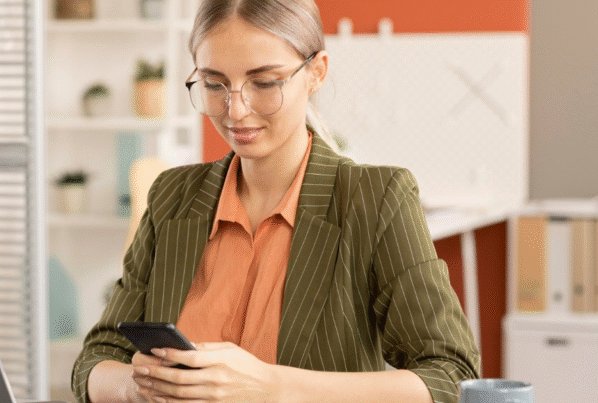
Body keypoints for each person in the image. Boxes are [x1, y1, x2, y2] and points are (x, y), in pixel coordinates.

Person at [72, 0, 480, 402]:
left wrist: (273, 388)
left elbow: (450, 376)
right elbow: (96, 359)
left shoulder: (375, 200)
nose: (236, 110)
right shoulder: (172, 198)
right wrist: (135, 388)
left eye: (264, 82)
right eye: (214, 84)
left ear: (316, 72)